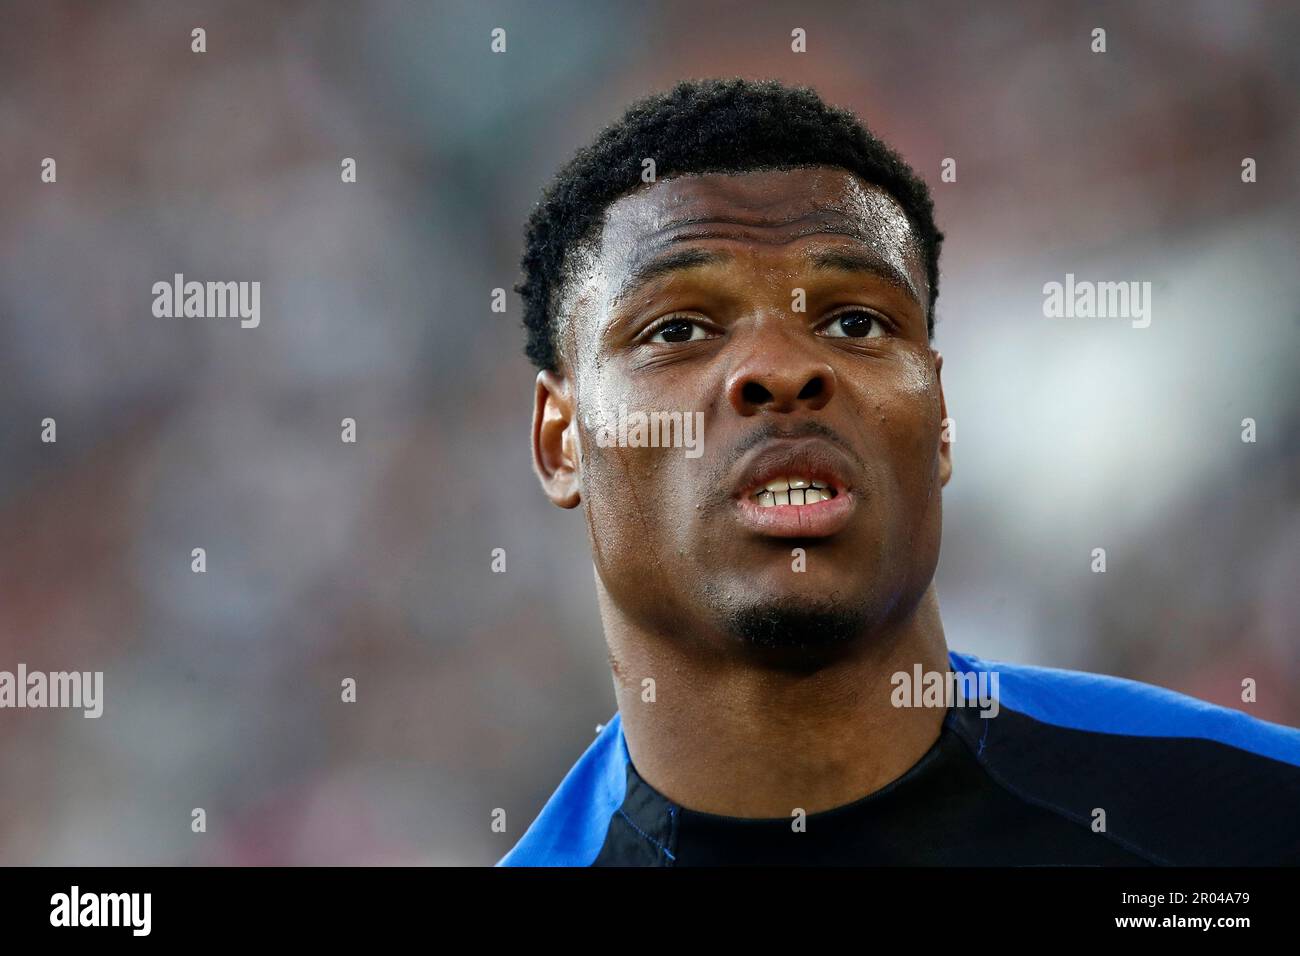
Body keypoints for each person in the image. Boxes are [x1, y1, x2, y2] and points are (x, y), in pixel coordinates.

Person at [498, 77, 1300, 866]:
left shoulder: (1250, 815)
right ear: (559, 441)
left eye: (855, 320)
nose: (782, 369)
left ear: (941, 420)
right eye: (677, 329)